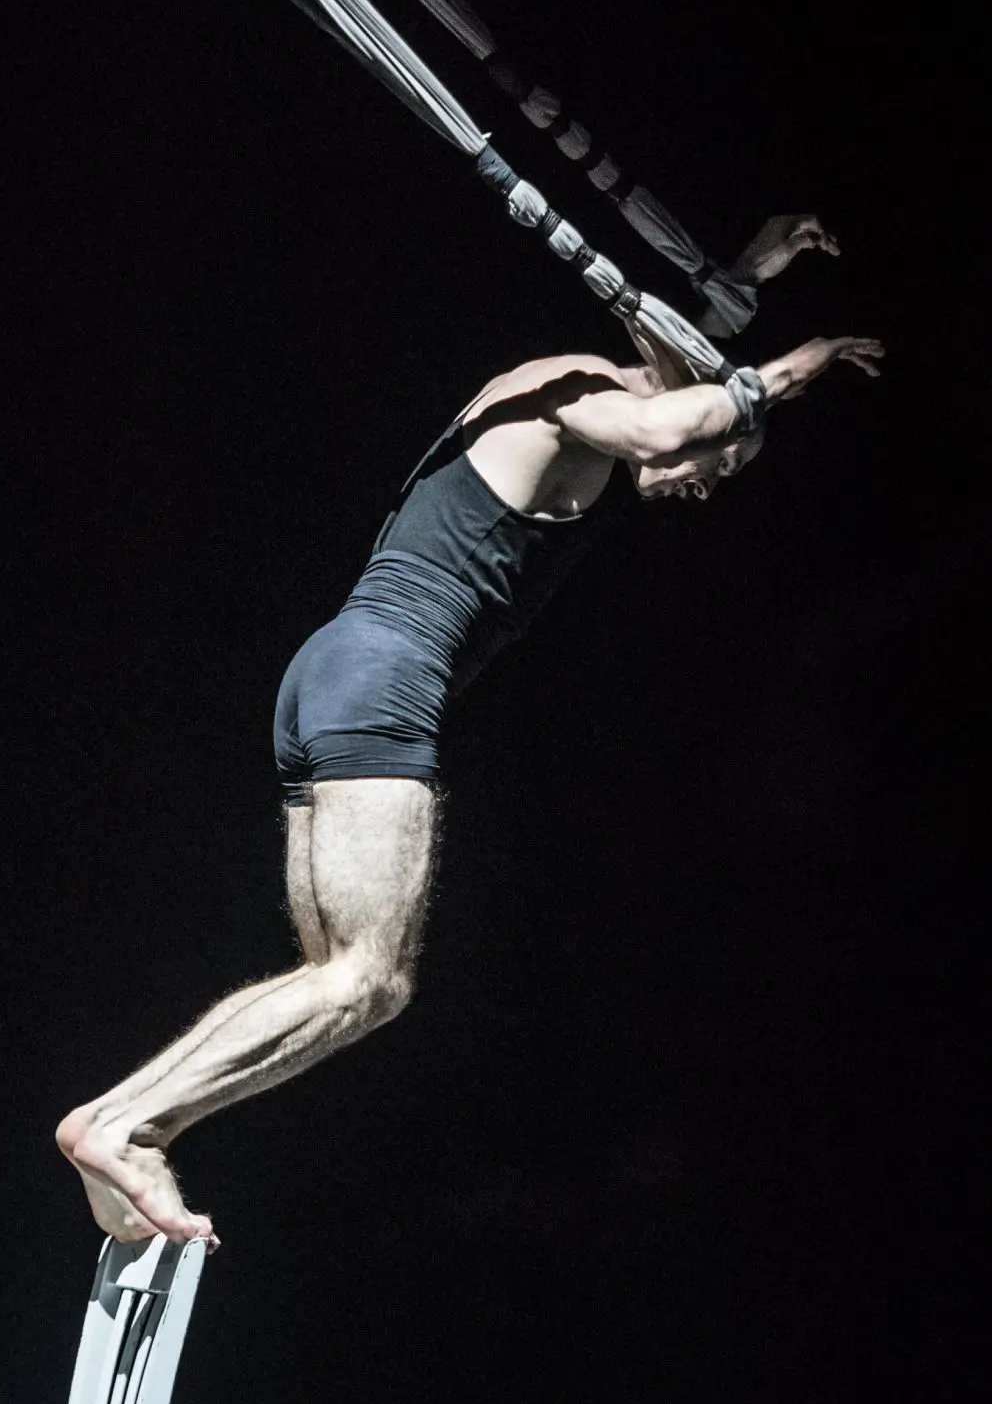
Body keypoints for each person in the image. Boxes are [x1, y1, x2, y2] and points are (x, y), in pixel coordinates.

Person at [57, 216, 881, 1245]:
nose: (704, 484)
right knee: (371, 977)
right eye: (721, 462)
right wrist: (791, 372)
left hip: (332, 670)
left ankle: (133, 1128)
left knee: (342, 978)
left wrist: (750, 273)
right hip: (384, 678)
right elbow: (668, 422)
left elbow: (676, 355)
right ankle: (118, 1124)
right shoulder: (579, 394)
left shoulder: (558, 397)